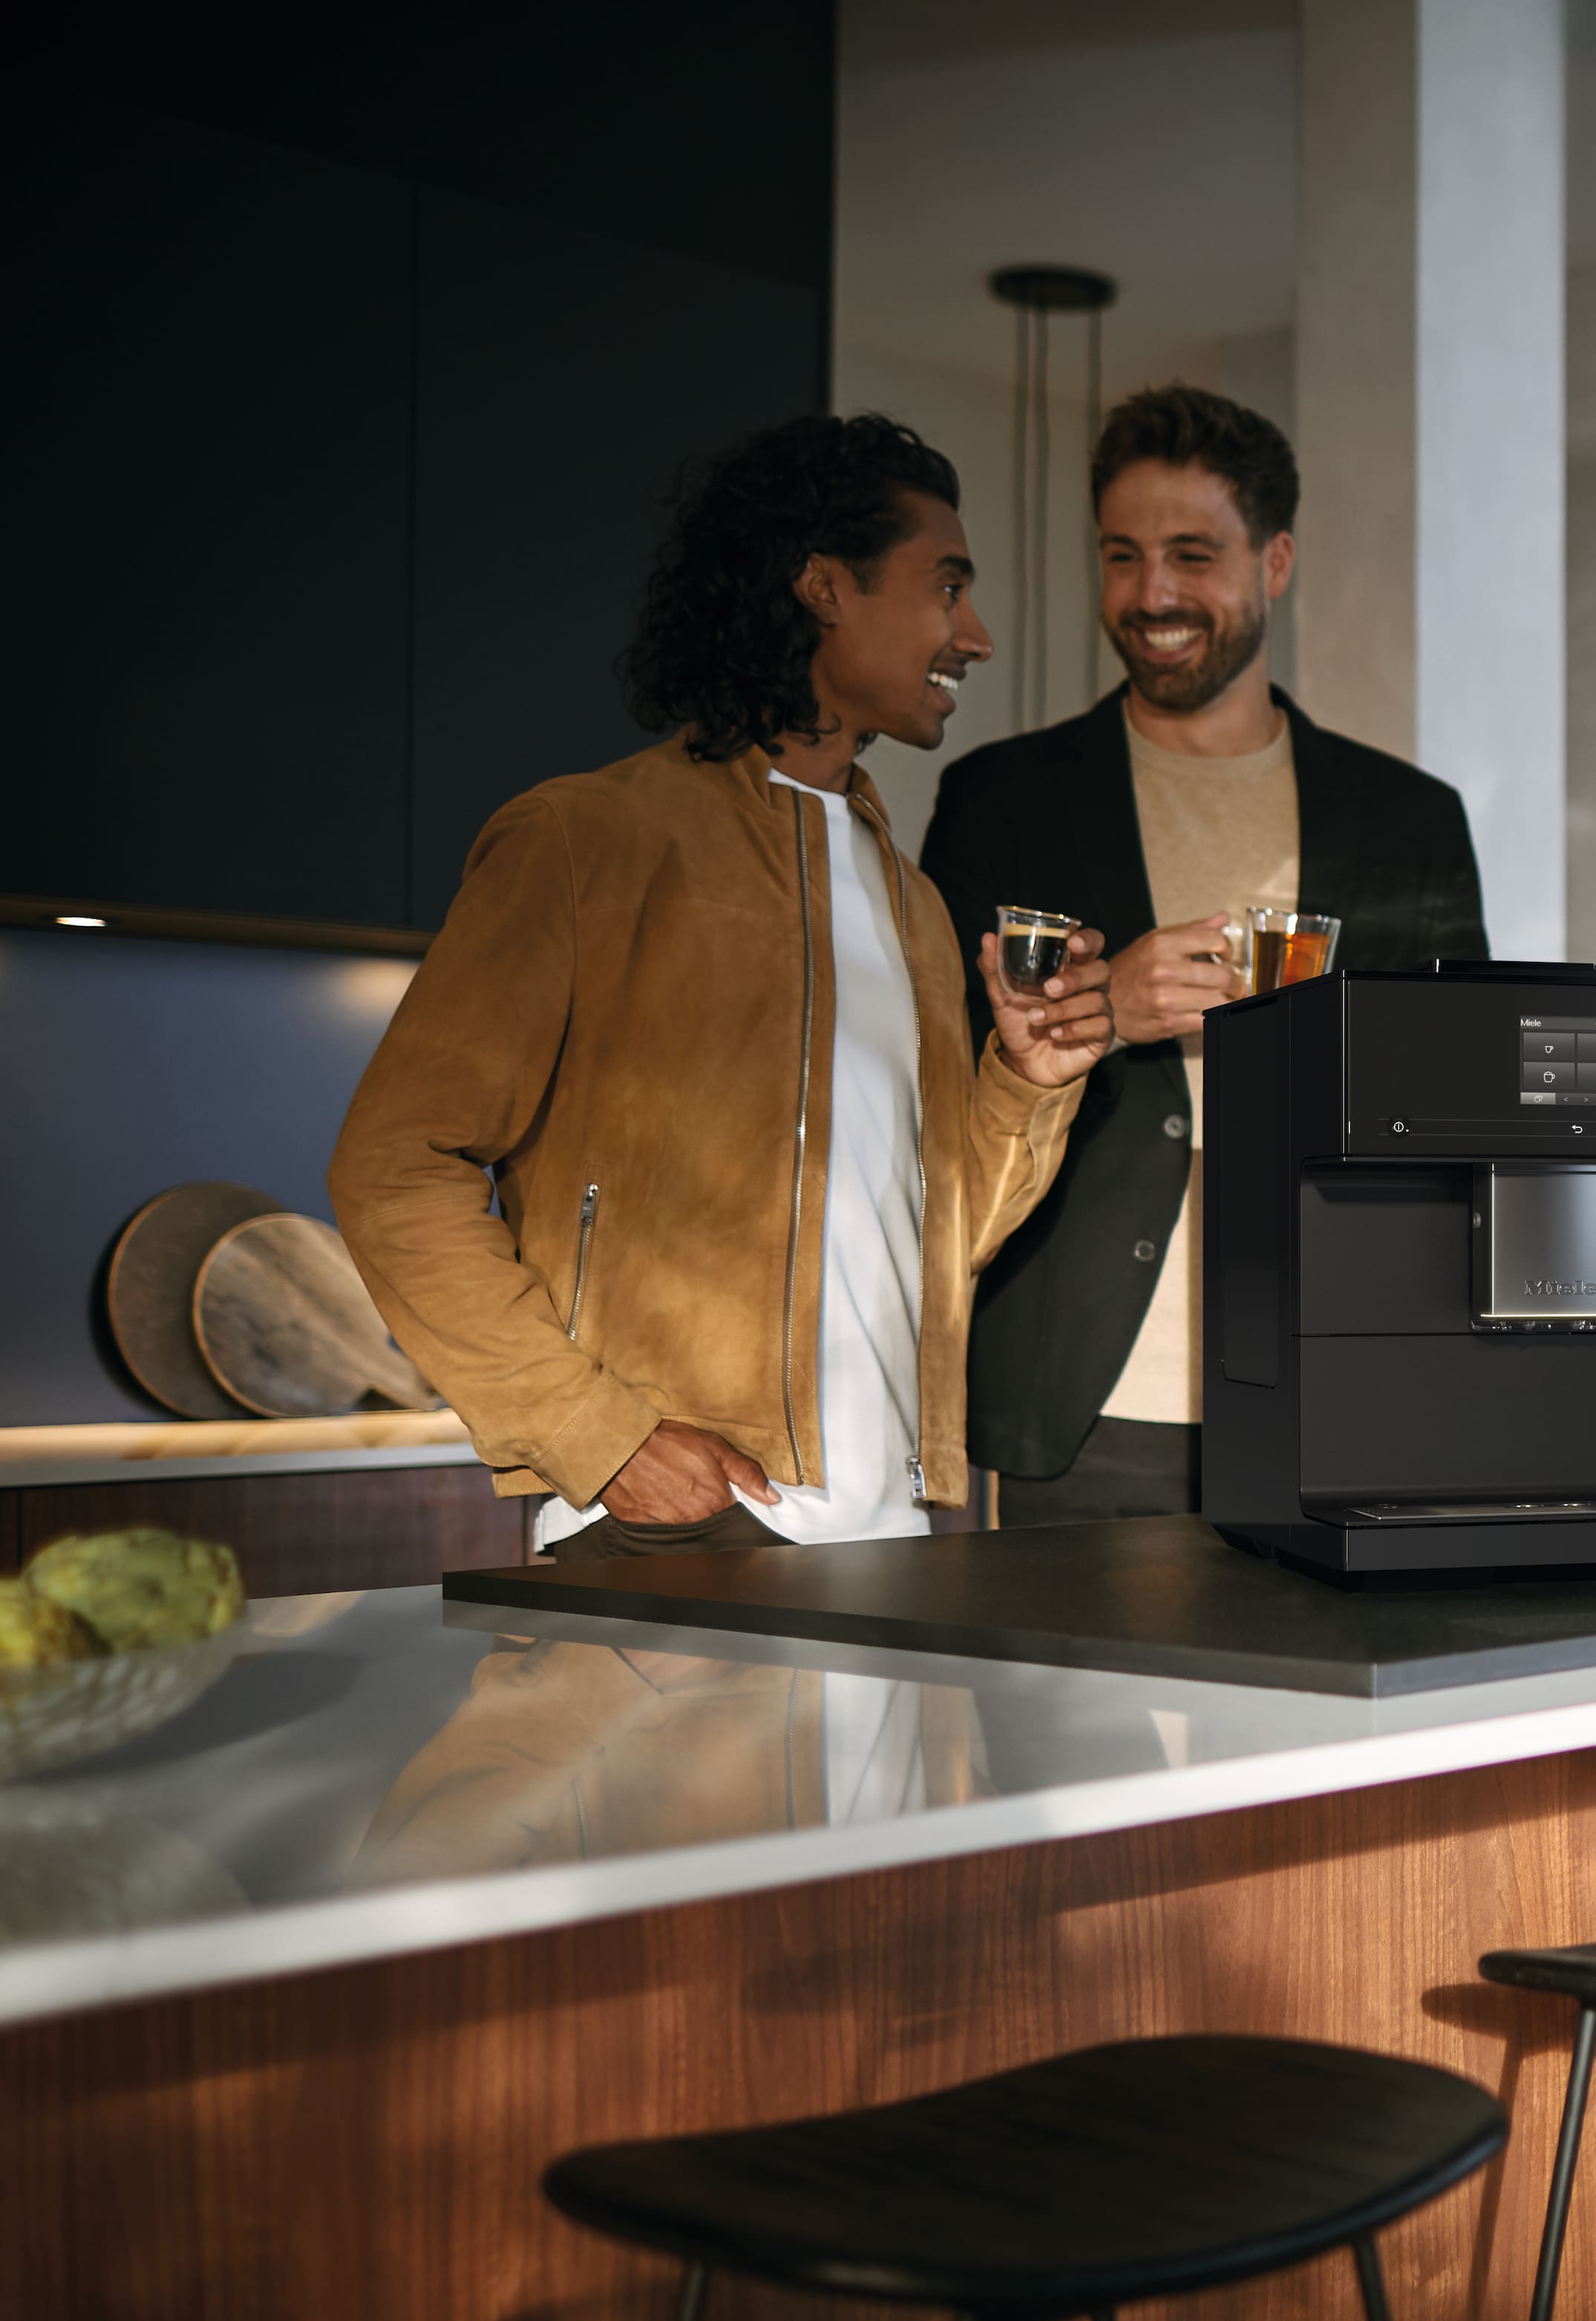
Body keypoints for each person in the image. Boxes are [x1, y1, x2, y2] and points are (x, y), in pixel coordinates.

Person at [333, 416, 1111, 1561]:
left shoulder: (917, 907)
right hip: (682, 1525)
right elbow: (394, 1165)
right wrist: (597, 1436)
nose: (975, 636)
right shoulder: (585, 841)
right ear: (821, 586)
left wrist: (1027, 1083)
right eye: (947, 586)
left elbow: (937, 1238)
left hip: (896, 1530)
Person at [920, 386, 1489, 1525]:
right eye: (1122, 556)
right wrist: (1103, 1007)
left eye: (1193, 554)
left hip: (1337, 1389)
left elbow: (1467, 1105)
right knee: (1060, 1712)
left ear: (1274, 563)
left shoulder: (1411, 820)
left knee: (1330, 1713)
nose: (1154, 595)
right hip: (1081, 1402)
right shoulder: (1000, 801)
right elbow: (934, 1088)